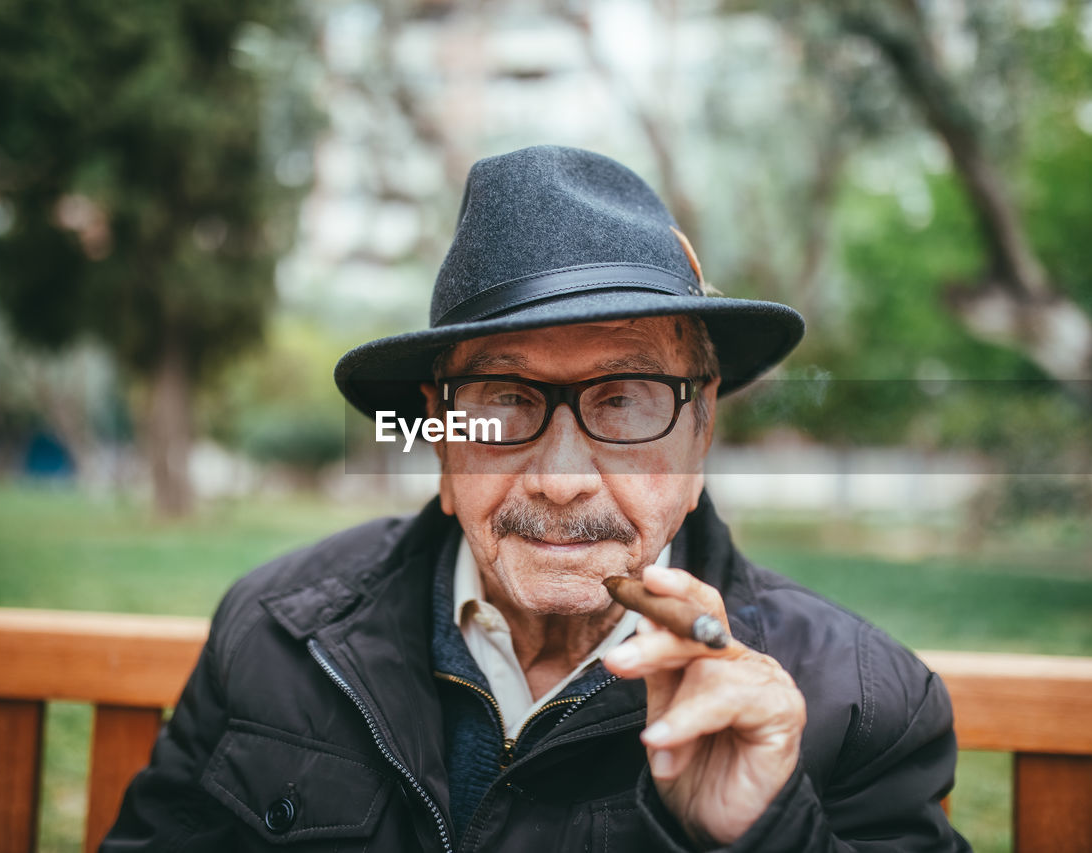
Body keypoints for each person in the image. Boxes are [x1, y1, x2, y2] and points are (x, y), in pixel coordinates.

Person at [103, 145, 970, 852]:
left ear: (700, 430)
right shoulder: (272, 634)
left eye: (624, 398)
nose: (561, 479)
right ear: (443, 437)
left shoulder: (861, 708)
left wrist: (770, 834)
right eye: (506, 399)